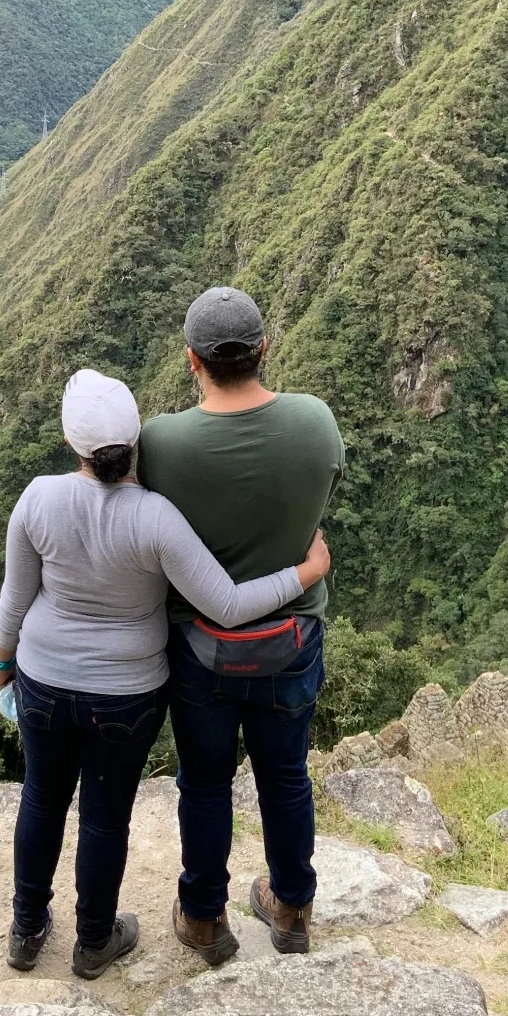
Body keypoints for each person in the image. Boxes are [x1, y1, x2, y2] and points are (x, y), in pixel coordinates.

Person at [0, 367, 331, 980]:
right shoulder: (155, 517)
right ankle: (94, 940)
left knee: (40, 798)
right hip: (126, 693)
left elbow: (14, 600)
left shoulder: (38, 498)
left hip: (42, 678)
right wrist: (305, 574)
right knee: (104, 815)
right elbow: (225, 604)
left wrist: (3, 663)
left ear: (74, 444)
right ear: (135, 441)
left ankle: (26, 928)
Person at [140, 287, 345, 963]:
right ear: (264, 349)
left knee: (204, 782)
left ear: (192, 362)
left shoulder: (162, 443)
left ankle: (202, 917)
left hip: (201, 650)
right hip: (291, 640)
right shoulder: (315, 423)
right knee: (285, 777)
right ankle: (290, 907)